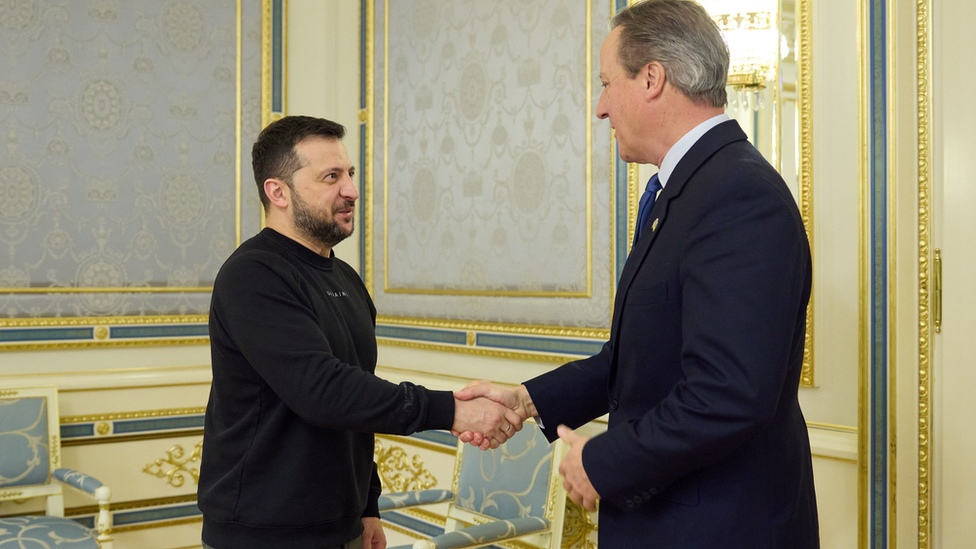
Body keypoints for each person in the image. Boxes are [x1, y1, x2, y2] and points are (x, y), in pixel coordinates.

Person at [456, 1, 819, 547]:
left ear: (652, 79)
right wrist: (527, 401)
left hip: (718, 528)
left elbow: (729, 393)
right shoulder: (689, 189)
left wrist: (602, 462)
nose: (600, 108)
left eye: (606, 83)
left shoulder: (738, 196)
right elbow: (637, 360)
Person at [198, 115, 522, 549]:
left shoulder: (347, 280)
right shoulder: (253, 275)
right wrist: (452, 411)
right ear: (278, 192)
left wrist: (367, 507)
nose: (350, 190)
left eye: (349, 174)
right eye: (331, 177)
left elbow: (357, 399)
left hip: (342, 527)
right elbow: (323, 391)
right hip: (263, 533)